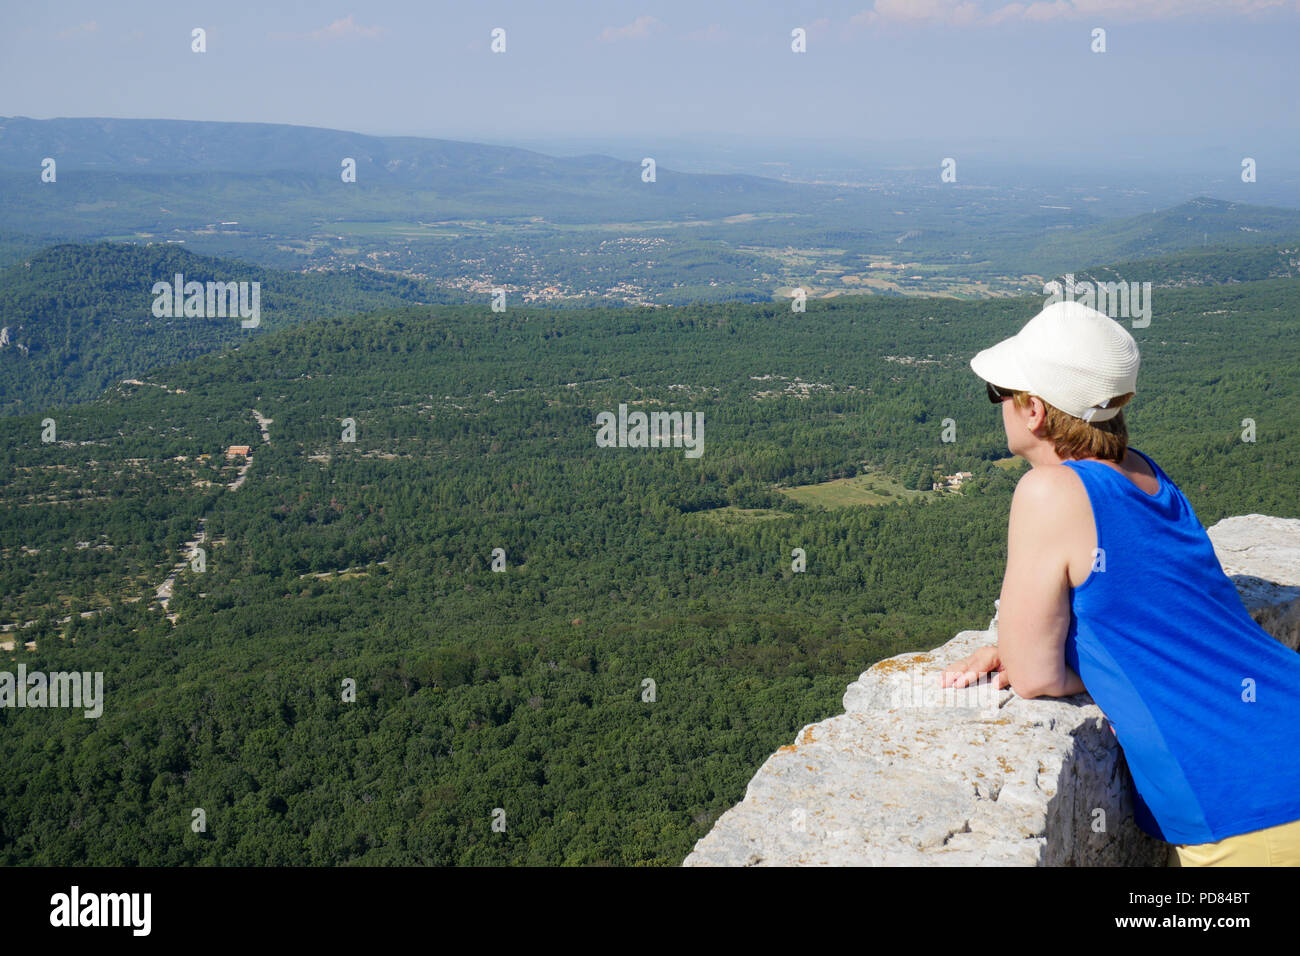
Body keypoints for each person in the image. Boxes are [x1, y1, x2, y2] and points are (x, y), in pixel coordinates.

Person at [940, 301, 1300, 866]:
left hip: (1254, 805)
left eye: (1001, 394)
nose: (1001, 406)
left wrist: (1025, 650)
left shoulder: (1047, 491)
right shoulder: (1148, 473)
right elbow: (1151, 607)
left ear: (1034, 410)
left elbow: (1032, 677)